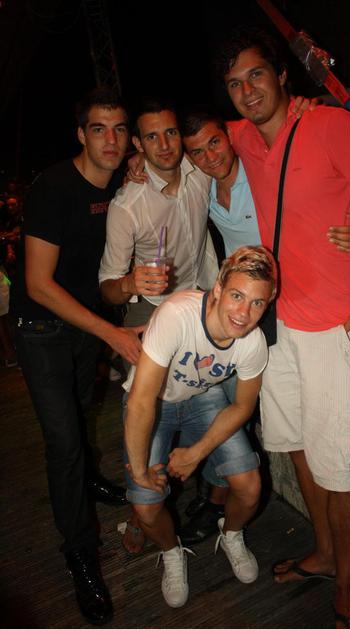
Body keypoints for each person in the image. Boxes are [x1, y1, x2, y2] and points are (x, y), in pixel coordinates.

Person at [216, 26, 350, 629]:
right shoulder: (243, 137)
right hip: (279, 325)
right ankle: (326, 554)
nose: (248, 91)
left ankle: (349, 587)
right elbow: (189, 139)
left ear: (283, 76)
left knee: (346, 466)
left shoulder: (330, 126)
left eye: (257, 75)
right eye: (235, 83)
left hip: (338, 326)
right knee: (297, 444)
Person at [177, 108, 350, 546]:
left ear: (229, 136)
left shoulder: (255, 168)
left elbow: (286, 130)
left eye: (215, 143)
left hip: (305, 302)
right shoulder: (202, 184)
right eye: (198, 152)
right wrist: (139, 161)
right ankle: (225, 499)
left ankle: (222, 500)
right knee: (284, 429)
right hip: (254, 315)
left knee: (319, 437)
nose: (210, 156)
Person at [10, 87, 143, 626]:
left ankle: (88, 478)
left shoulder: (121, 184)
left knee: (82, 417)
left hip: (84, 328)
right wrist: (112, 334)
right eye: (98, 129)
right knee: (63, 442)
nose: (110, 139)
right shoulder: (53, 187)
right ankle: (81, 553)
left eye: (119, 129)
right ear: (80, 135)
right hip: (42, 330)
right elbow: (38, 285)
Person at [124, 245, 276, 608]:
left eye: (257, 303)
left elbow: (242, 406)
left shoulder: (254, 343)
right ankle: (171, 550)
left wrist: (196, 453)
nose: (244, 313)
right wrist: (140, 470)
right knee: (146, 507)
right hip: (154, 402)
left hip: (202, 399)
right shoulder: (177, 314)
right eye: (237, 296)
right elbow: (141, 401)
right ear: (218, 289)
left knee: (250, 487)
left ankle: (232, 533)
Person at [98, 97, 219, 553]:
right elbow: (107, 288)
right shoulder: (127, 204)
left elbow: (232, 138)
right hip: (148, 311)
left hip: (200, 304)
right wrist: (131, 281)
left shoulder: (200, 171)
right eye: (151, 137)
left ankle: (210, 500)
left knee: (212, 406)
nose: (164, 145)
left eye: (170, 133)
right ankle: (142, 505)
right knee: (147, 416)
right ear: (138, 144)